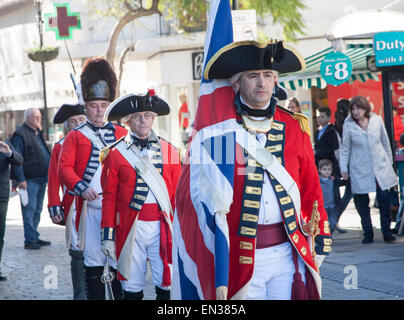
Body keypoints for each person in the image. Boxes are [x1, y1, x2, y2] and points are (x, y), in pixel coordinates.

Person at [173, 40, 332, 300]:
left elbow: (311, 189)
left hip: (287, 253)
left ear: (275, 80)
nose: (262, 82)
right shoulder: (219, 134)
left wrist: (321, 236)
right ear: (236, 83)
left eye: (268, 75)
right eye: (253, 76)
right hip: (243, 258)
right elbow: (197, 197)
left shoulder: (294, 127)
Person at [100, 90, 182, 300]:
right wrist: (108, 236)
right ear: (127, 122)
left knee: (167, 282)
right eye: (137, 116)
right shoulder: (116, 153)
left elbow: (178, 197)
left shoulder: (170, 150)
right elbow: (109, 198)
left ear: (153, 118)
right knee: (132, 285)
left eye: (147, 115)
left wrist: (180, 230)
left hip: (162, 227)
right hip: (131, 229)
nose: (143, 120)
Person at [58, 57, 127, 299]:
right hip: (90, 209)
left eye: (103, 105)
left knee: (120, 261)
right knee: (93, 262)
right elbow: (64, 168)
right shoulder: (75, 136)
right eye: (94, 105)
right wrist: (82, 187)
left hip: (117, 210)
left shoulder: (122, 133)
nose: (99, 110)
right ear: (85, 107)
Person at [339, 95, 398, 243]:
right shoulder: (349, 125)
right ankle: (368, 233)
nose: (355, 112)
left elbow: (385, 142)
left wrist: (389, 163)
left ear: (365, 108)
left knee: (384, 199)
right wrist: (343, 168)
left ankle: (386, 232)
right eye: (353, 109)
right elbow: (345, 148)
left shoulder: (377, 120)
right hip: (359, 167)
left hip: (380, 166)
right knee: (361, 202)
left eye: (358, 108)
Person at [47, 103, 87, 299]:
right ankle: (80, 294)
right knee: (77, 248)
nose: (78, 123)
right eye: (73, 121)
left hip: (99, 202)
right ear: (67, 125)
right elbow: (54, 179)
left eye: (81, 119)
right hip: (73, 203)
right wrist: (54, 205)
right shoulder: (60, 146)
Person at [11, 108, 51, 249]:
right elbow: (16, 159)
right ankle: (29, 240)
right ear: (27, 118)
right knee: (29, 210)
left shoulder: (37, 132)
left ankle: (34, 235)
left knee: (38, 210)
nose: (38, 120)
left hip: (41, 178)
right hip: (29, 180)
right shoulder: (20, 134)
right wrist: (20, 180)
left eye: (39, 117)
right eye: (35, 117)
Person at [0, 139, 23, 280]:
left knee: (0, 235)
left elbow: (19, 160)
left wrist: (9, 153)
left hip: (1, 196)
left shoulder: (4, 145)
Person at [314, 107, 340, 177]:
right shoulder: (317, 131)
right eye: (318, 117)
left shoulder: (332, 131)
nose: (319, 119)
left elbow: (335, 148)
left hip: (329, 165)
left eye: (322, 117)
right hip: (319, 165)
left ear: (329, 118)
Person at [318, 159, 340, 233]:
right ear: (320, 170)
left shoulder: (333, 180)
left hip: (332, 206)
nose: (327, 171)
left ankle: (330, 234)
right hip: (323, 206)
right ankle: (328, 238)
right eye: (324, 169)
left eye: (329, 169)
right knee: (325, 224)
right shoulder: (317, 181)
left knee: (333, 223)